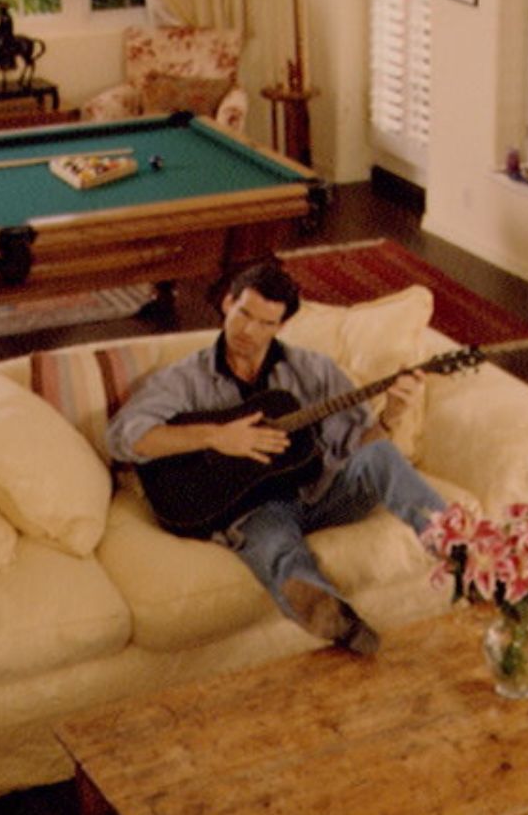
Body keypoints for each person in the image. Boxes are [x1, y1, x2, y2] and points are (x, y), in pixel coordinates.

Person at [105, 260, 444, 655]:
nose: (249, 331)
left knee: (381, 454)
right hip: (256, 511)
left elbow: (360, 447)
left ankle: (459, 547)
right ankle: (339, 623)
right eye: (244, 314)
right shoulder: (185, 378)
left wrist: (392, 416)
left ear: (282, 326)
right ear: (228, 303)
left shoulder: (313, 371)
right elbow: (123, 438)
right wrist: (216, 436)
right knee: (277, 551)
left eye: (265, 323)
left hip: (322, 492)